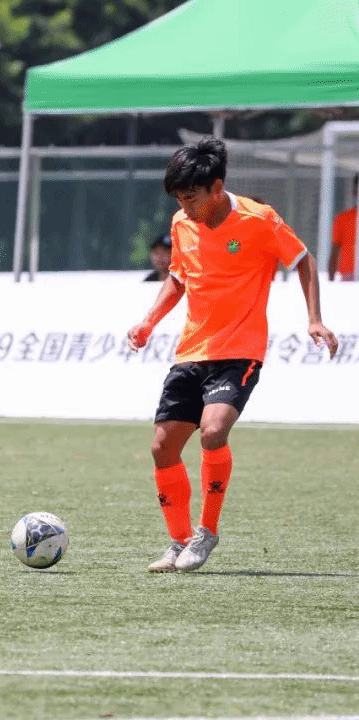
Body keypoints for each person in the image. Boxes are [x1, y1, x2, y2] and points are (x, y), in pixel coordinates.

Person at [126, 137, 338, 573]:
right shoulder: (182, 223)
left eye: (191, 197)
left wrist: (315, 319)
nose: (184, 207)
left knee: (213, 430)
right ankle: (178, 540)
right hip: (191, 350)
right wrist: (148, 321)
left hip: (240, 350)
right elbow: (178, 278)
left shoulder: (258, 219)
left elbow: (303, 260)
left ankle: (206, 531)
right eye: (179, 199)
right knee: (162, 448)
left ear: (217, 187)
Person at [329, 173, 358, 281]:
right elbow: (334, 251)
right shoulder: (343, 219)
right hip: (348, 277)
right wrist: (330, 281)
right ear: (355, 191)